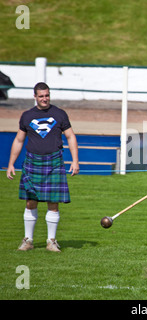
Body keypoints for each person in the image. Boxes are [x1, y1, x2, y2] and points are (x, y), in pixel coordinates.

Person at [6, 82, 79, 252]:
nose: (45, 99)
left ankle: (51, 241)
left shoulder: (60, 114)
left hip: (54, 162)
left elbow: (71, 137)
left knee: (53, 203)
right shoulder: (27, 116)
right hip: (32, 162)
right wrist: (10, 163)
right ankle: (28, 240)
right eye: (41, 96)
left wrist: (75, 161)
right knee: (30, 202)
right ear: (35, 97)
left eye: (47, 95)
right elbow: (18, 140)